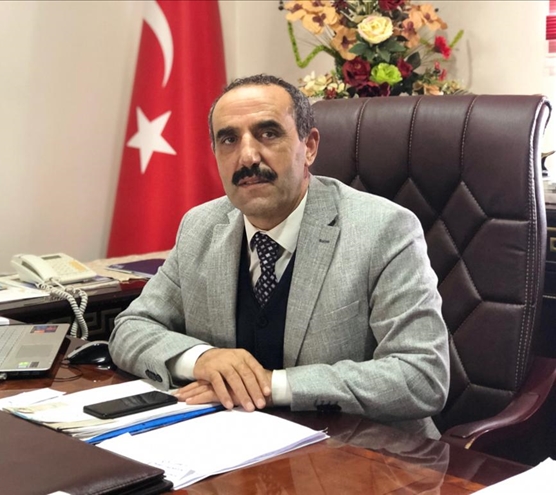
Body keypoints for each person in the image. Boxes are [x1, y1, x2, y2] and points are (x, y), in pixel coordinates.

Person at [110, 74, 449, 439]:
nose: (247, 156)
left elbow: (422, 375)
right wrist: (201, 359)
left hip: (367, 453)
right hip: (235, 446)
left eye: (268, 133)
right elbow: (131, 328)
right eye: (229, 139)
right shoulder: (201, 227)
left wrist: (273, 386)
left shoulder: (382, 229)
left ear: (310, 146)